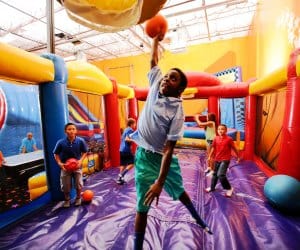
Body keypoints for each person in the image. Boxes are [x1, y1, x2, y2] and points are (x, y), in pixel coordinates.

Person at [130, 34, 212, 250]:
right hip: (144, 156)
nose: (166, 79)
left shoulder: (177, 112)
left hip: (163, 158)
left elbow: (168, 149)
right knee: (142, 205)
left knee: (180, 190)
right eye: (167, 76)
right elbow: (153, 62)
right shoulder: (156, 84)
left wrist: (160, 181)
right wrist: (156, 42)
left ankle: (197, 217)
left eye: (173, 79)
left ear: (180, 89)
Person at [53, 123, 88, 208]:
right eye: (69, 129)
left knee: (78, 184)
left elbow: (85, 152)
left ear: (76, 130)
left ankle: (78, 198)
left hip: (77, 167)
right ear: (65, 131)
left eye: (73, 129)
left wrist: (80, 161)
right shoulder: (61, 142)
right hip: (65, 168)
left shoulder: (80, 141)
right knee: (65, 186)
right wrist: (59, 163)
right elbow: (56, 154)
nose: (71, 131)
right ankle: (67, 200)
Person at [205, 124, 240, 197]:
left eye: (222, 129)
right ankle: (212, 187)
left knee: (221, 175)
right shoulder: (216, 138)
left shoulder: (229, 139)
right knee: (215, 174)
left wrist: (238, 156)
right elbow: (213, 148)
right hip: (217, 159)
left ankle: (229, 188)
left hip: (225, 159)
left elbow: (234, 148)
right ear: (217, 130)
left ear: (226, 130)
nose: (220, 131)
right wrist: (210, 156)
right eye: (219, 129)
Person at [116, 118, 136, 185]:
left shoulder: (125, 129)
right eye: (134, 124)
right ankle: (122, 175)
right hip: (126, 149)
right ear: (131, 124)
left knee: (123, 164)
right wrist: (135, 141)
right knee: (133, 163)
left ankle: (120, 178)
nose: (135, 125)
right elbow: (127, 139)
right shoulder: (130, 130)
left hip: (121, 149)